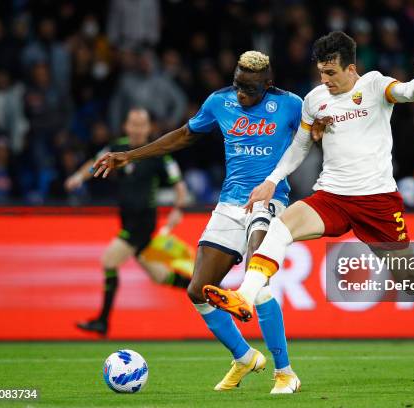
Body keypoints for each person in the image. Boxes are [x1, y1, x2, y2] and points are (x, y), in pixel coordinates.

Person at [91, 52, 305, 393]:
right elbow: (182, 136)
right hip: (228, 205)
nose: (241, 95)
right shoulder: (219, 102)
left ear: (268, 85)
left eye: (249, 89)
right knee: (197, 289)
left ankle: (285, 372)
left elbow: (317, 133)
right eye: (237, 85)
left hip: (269, 199)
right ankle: (244, 357)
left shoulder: (292, 105)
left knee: (257, 279)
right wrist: (129, 155)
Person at [201, 31, 414, 322]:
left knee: (410, 282)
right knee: (279, 228)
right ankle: (245, 296)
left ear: (351, 69)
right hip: (332, 197)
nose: (325, 80)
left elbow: (408, 92)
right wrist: (271, 180)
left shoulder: (375, 85)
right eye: (321, 72)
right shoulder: (315, 99)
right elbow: (300, 145)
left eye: (331, 72)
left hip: (377, 200)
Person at [66, 108, 190, 336]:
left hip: (143, 223)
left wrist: (179, 208)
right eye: (133, 124)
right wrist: (77, 178)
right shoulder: (117, 148)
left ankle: (102, 321)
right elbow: (94, 164)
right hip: (126, 222)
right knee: (160, 276)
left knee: (109, 260)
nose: (137, 129)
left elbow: (179, 184)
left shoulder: (158, 152)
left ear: (148, 128)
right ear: (126, 126)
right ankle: (205, 290)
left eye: (142, 125)